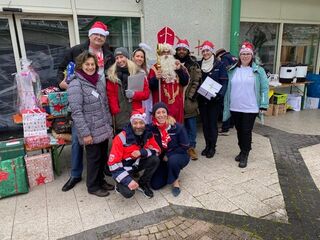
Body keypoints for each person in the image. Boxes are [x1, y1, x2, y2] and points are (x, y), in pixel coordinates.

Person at [58, 21, 115, 192]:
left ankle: (100, 178)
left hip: (99, 109)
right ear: (90, 35)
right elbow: (61, 70)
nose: (99, 37)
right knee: (80, 143)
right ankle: (77, 175)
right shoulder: (76, 51)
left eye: (102, 35)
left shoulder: (108, 54)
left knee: (100, 152)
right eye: (96, 34)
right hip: (84, 109)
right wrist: (63, 84)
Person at [67, 51, 114, 197]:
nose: (90, 67)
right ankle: (93, 186)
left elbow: (104, 105)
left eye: (92, 64)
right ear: (81, 65)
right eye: (87, 64)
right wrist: (85, 134)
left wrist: (108, 126)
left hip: (102, 128)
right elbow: (76, 112)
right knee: (93, 159)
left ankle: (100, 181)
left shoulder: (98, 81)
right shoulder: (76, 84)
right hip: (90, 131)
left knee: (102, 157)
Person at [223, 41, 269, 168]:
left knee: (246, 131)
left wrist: (263, 104)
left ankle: (245, 153)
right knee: (239, 130)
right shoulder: (232, 70)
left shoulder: (258, 71)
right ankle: (242, 150)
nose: (245, 56)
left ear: (252, 55)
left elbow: (264, 88)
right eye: (243, 54)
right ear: (239, 55)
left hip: (251, 107)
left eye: (248, 54)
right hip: (235, 106)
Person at [108, 109, 161, 199]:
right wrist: (128, 181)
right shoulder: (120, 137)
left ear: (145, 124)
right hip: (123, 167)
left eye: (141, 123)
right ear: (131, 124)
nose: (138, 126)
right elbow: (113, 164)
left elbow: (157, 150)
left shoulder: (148, 134)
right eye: (135, 123)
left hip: (136, 164)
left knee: (155, 160)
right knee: (128, 193)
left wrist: (142, 152)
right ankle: (119, 182)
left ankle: (143, 183)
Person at [150, 102, 190, 197]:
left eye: (163, 112)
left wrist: (168, 155)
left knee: (173, 161)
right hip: (162, 158)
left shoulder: (178, 127)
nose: (161, 115)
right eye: (158, 113)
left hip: (179, 155)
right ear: (154, 115)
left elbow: (185, 146)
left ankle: (175, 182)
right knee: (155, 185)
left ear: (167, 113)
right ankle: (169, 172)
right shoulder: (153, 128)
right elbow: (139, 128)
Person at [197, 40, 228, 158]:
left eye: (207, 50)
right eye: (203, 51)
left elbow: (224, 82)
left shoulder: (219, 65)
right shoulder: (199, 64)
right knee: (205, 124)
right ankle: (207, 145)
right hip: (202, 99)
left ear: (211, 51)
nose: (205, 53)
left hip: (214, 100)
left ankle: (212, 147)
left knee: (212, 124)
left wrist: (220, 95)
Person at [107, 47, 150, 133]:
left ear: (127, 57)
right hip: (120, 116)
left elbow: (146, 94)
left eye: (122, 57)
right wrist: (116, 111)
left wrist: (134, 95)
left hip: (136, 114)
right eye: (117, 58)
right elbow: (111, 97)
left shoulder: (137, 73)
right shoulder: (112, 76)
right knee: (122, 141)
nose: (119, 60)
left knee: (137, 140)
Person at [148, 35, 189, 123]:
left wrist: (179, 71)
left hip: (177, 106)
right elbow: (151, 86)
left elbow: (185, 82)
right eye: (163, 52)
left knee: (176, 129)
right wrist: (156, 78)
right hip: (161, 107)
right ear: (160, 54)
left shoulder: (178, 66)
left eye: (168, 52)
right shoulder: (154, 68)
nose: (166, 55)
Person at [174, 38, 201, 161]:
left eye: (184, 49)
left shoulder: (194, 64)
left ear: (187, 51)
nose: (181, 51)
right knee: (177, 126)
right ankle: (180, 147)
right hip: (174, 99)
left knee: (191, 126)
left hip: (188, 100)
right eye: (179, 49)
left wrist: (190, 97)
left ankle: (191, 147)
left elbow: (196, 81)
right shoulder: (171, 62)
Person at [215, 48, 238, 136]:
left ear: (219, 55)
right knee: (231, 105)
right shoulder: (233, 57)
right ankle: (231, 124)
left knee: (225, 106)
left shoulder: (224, 58)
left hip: (228, 84)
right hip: (234, 85)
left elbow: (224, 72)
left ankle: (225, 128)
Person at [132, 47, 153, 124]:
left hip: (147, 100)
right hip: (137, 101)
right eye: (137, 56)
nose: (139, 58)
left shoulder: (146, 71)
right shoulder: (131, 71)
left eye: (142, 57)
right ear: (133, 57)